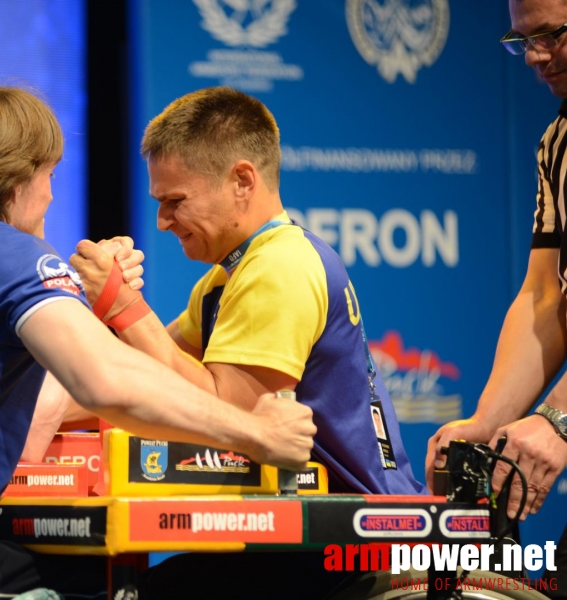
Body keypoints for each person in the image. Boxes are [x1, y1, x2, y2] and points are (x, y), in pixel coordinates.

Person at [0, 84, 316, 599]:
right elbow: (107, 380)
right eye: (48, 174)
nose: (51, 193)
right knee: (138, 585)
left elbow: (30, 401)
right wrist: (256, 433)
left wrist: (88, 307)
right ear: (12, 180)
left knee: (102, 575)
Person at [72, 86, 425, 497]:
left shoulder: (280, 264)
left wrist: (123, 304)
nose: (162, 221)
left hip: (359, 543)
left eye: (175, 201)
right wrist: (92, 306)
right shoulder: (224, 279)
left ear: (242, 181)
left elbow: (234, 421)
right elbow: (137, 379)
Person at [426, 0, 567, 590]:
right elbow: (544, 297)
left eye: (551, 35)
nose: (534, 56)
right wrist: (488, 421)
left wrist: (558, 420)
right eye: (522, 39)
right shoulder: (559, 141)